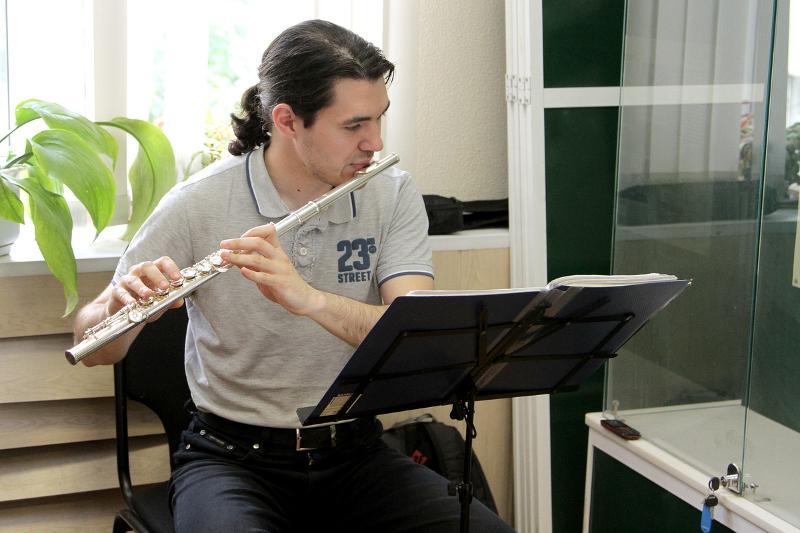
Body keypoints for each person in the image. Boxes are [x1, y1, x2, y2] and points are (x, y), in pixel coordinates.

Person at [74, 19, 514, 533]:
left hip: (355, 453)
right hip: (231, 458)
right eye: (353, 125)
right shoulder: (197, 202)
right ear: (286, 120)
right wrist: (118, 310)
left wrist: (309, 299)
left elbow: (414, 334)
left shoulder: (390, 192)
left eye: (379, 118)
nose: (374, 141)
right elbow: (92, 347)